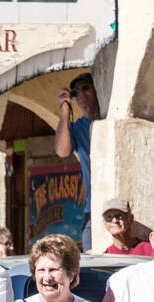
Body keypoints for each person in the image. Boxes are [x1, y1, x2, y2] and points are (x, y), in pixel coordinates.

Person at [56, 72, 99, 250]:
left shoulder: (108, 118)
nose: (81, 94)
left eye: (86, 88)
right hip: (91, 208)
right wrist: (64, 109)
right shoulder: (76, 127)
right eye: (76, 92)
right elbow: (62, 150)